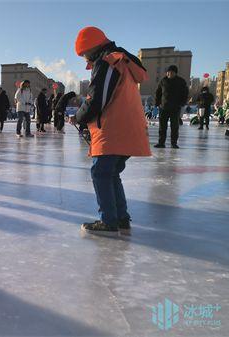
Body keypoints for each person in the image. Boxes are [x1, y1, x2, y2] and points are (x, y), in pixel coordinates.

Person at [70, 26, 151, 236]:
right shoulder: (122, 60)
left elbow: (98, 99)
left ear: (91, 46)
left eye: (84, 53)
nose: (85, 58)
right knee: (111, 173)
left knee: (100, 173)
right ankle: (121, 218)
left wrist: (78, 117)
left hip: (114, 129)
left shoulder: (108, 61)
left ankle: (108, 221)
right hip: (127, 128)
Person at [154, 65, 188, 148]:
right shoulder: (163, 81)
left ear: (175, 73)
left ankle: (174, 143)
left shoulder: (181, 81)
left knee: (174, 127)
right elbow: (158, 93)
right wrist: (157, 103)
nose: (169, 74)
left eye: (171, 72)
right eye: (168, 72)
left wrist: (182, 103)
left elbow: (185, 93)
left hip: (175, 108)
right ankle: (161, 142)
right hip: (163, 107)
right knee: (162, 127)